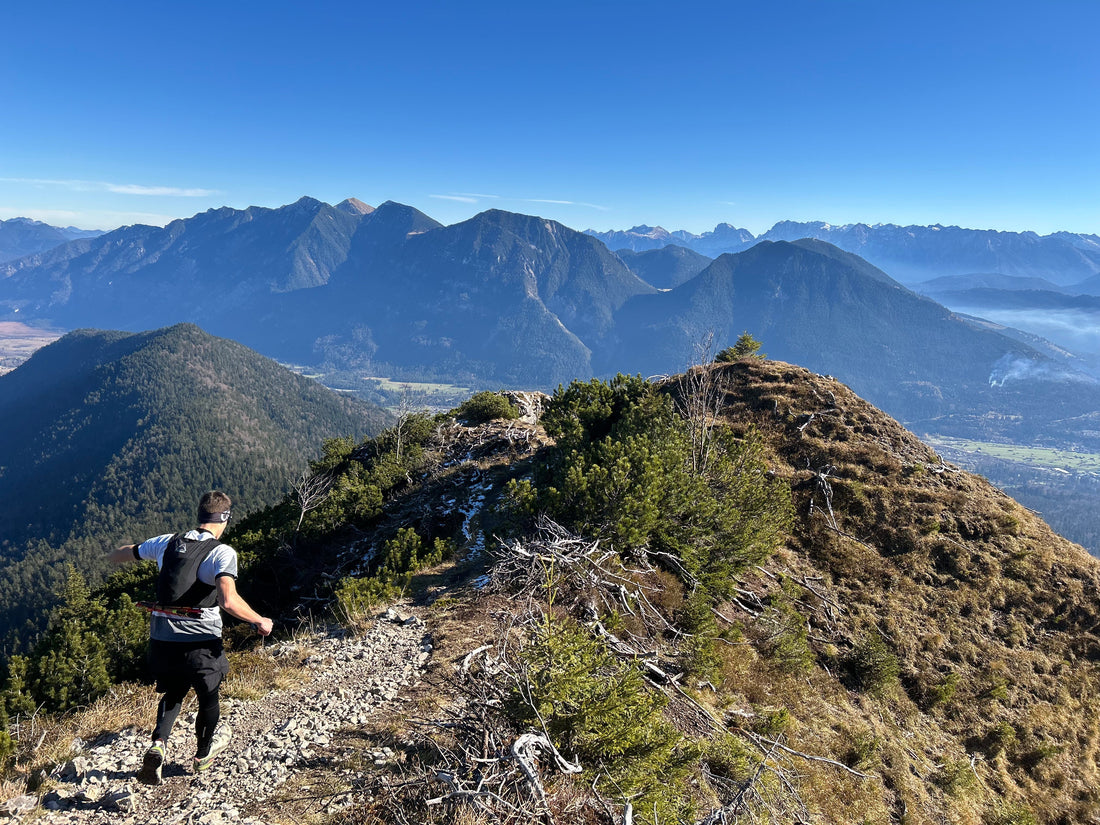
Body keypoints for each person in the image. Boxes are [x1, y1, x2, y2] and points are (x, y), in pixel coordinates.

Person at [109, 490, 273, 784]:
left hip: (162, 641)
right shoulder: (221, 552)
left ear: (200, 515)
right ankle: (202, 755)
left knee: (173, 692)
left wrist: (111, 556)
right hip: (201, 643)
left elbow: (127, 552)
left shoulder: (166, 542)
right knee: (208, 698)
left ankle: (158, 744)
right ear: (225, 518)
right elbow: (228, 600)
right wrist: (259, 620)